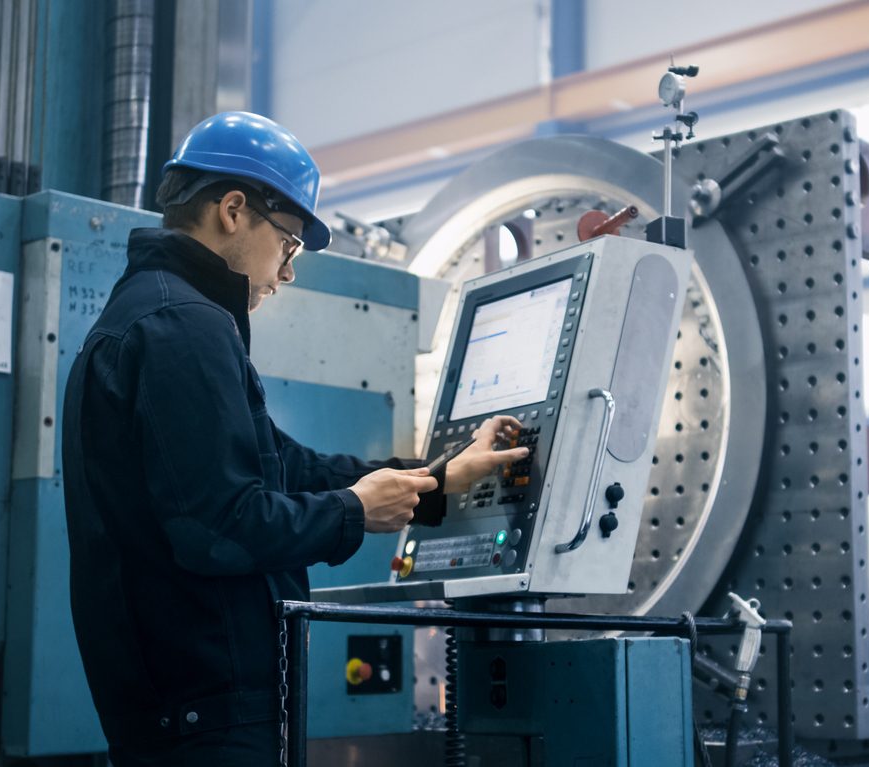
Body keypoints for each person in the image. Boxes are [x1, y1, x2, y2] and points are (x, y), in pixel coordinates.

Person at [61, 112, 527, 766]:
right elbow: (220, 524)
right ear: (232, 210)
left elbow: (287, 465)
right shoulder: (185, 327)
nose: (287, 272)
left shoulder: (153, 313)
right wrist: (355, 512)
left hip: (182, 713)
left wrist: (439, 480)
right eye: (288, 245)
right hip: (209, 719)